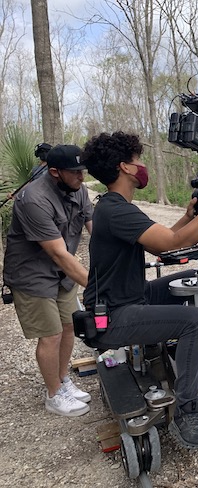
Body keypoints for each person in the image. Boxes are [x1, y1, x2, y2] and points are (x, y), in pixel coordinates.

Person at [79, 131, 198, 449]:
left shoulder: (114, 207)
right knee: (195, 321)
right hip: (114, 317)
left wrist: (189, 216)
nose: (143, 165)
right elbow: (175, 243)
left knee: (197, 277)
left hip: (131, 298)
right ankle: (187, 411)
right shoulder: (115, 210)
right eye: (139, 160)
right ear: (126, 168)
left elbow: (162, 243)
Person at [3, 144, 93, 417]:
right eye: (75, 172)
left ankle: (63, 380)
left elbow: (95, 227)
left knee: (69, 326)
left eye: (83, 171)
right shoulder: (33, 198)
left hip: (62, 273)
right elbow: (57, 253)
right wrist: (98, 286)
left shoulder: (80, 189)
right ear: (54, 172)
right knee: (51, 334)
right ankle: (53, 395)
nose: (81, 176)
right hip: (32, 273)